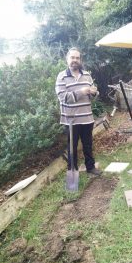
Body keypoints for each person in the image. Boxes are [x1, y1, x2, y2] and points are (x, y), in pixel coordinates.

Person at [55, 47, 101, 176]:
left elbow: (94, 95)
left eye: (77, 58)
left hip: (87, 118)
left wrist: (94, 92)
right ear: (67, 59)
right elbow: (63, 98)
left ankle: (90, 167)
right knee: (72, 148)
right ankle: (72, 173)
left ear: (80, 60)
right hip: (70, 120)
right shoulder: (61, 76)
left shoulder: (87, 75)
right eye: (72, 58)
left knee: (88, 145)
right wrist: (82, 91)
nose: (75, 60)